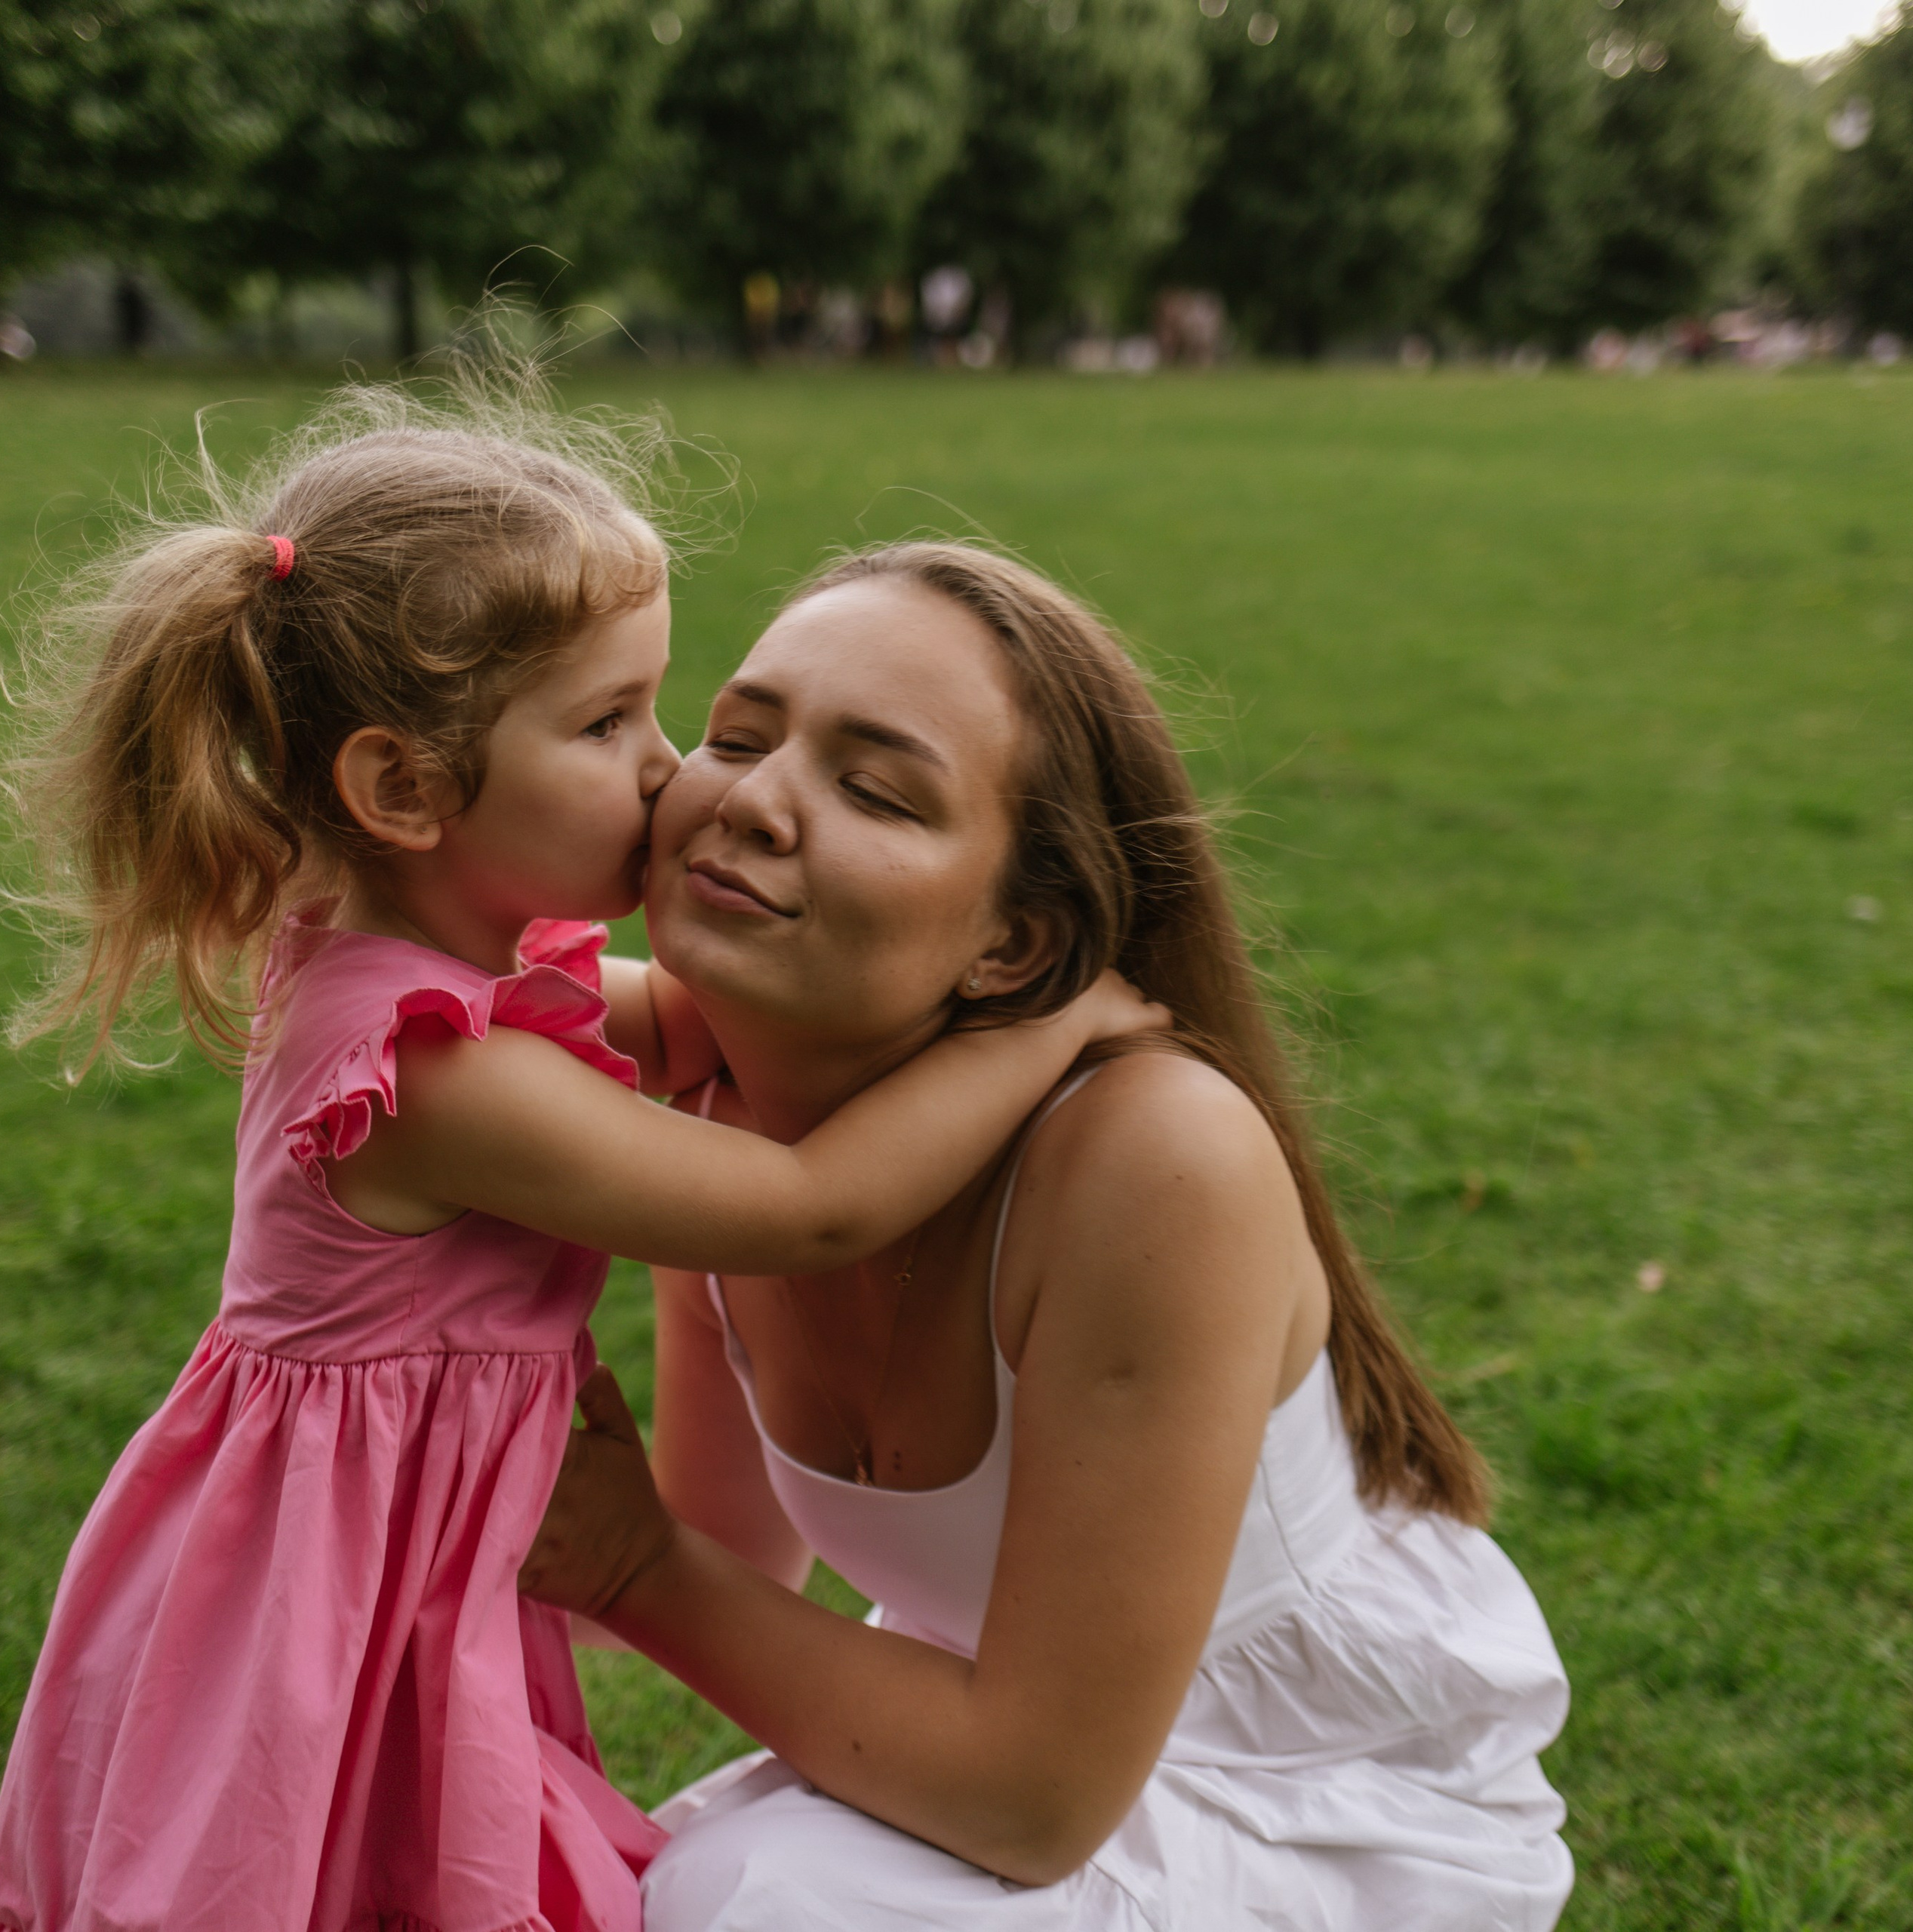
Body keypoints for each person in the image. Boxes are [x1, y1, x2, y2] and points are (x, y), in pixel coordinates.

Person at [0, 392, 1160, 1932]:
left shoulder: (457, 975)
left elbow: (692, 1023)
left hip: (402, 1525)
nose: (671, 767)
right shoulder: (428, 1071)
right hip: (327, 1563)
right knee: (316, 1865)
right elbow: (805, 1209)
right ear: (402, 791)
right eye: (609, 723)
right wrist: (1042, 1018)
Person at [518, 542, 1576, 1930]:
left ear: (1013, 947)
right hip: (987, 1733)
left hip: (1302, 1797)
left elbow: (1031, 1800)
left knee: (748, 1907)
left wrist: (632, 1563)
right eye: (735, 735)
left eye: (873, 788)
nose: (758, 801)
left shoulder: (1152, 1158)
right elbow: (727, 1549)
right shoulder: (716, 1119)